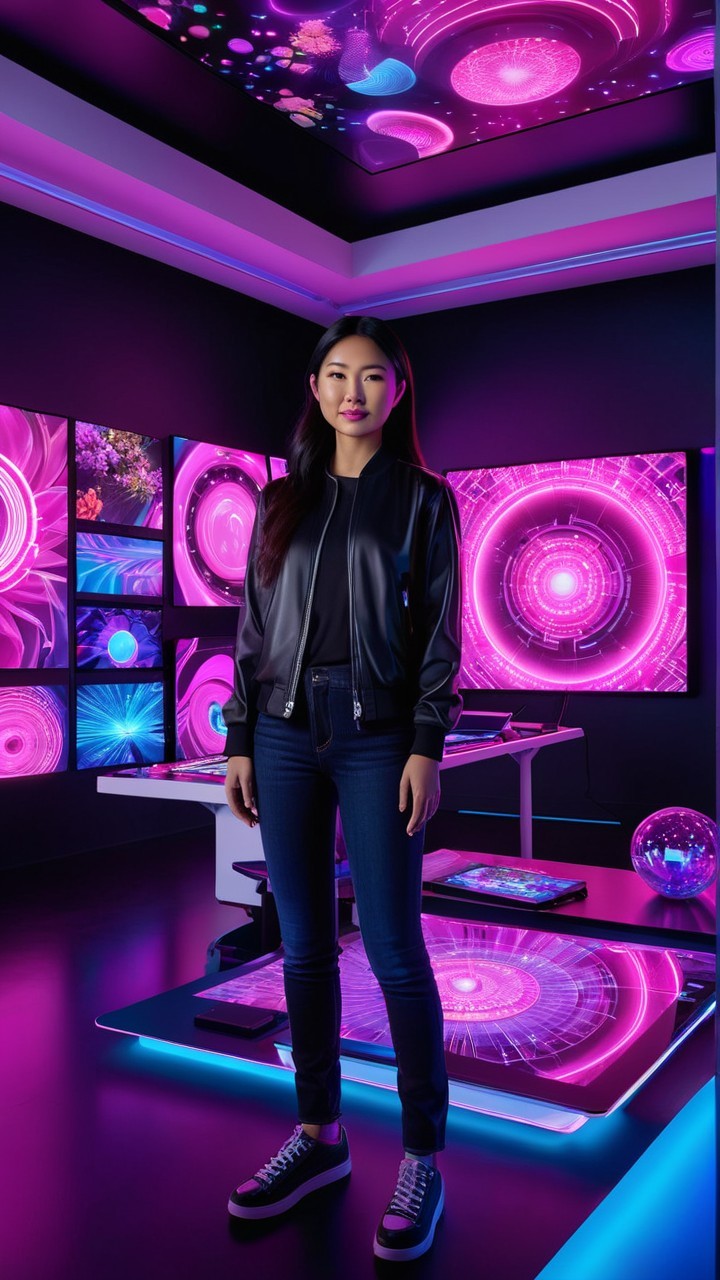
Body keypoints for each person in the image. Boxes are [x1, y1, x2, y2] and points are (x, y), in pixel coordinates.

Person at [222, 315, 462, 1262]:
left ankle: (422, 1156)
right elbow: (252, 625)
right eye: (337, 375)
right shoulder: (282, 500)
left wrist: (425, 744)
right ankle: (318, 1137)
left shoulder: (424, 500)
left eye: (372, 377)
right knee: (304, 948)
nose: (353, 391)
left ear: (396, 392)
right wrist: (240, 736)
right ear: (315, 390)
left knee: (396, 949)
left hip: (376, 740)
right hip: (281, 734)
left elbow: (441, 632)